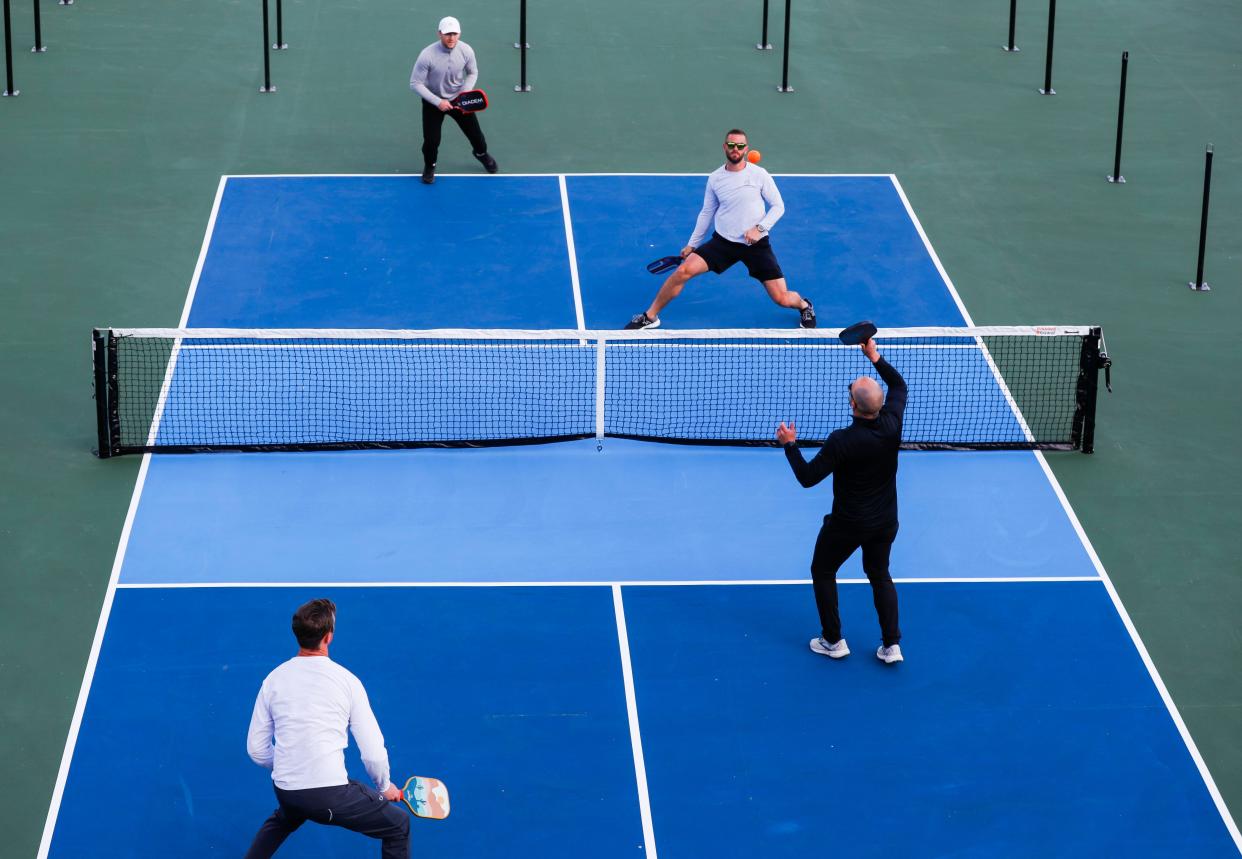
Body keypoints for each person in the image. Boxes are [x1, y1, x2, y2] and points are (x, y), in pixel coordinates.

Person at [244, 599, 410, 858]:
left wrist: (291, 765)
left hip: (287, 790)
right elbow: (373, 753)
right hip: (328, 796)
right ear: (329, 637)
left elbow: (256, 750)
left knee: (284, 819)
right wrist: (385, 786)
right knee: (399, 826)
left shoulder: (273, 680)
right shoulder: (348, 682)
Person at [776, 335, 906, 664]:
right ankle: (892, 646)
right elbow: (899, 386)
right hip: (885, 522)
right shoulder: (892, 424)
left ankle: (833, 640)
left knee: (822, 570)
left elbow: (807, 478)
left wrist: (790, 445)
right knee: (879, 574)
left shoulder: (841, 441)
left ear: (853, 406)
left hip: (848, 524)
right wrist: (874, 357)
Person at [625, 128, 814, 329]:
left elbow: (778, 207)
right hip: (723, 243)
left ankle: (804, 305)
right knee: (683, 271)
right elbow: (707, 213)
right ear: (725, 147)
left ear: (746, 149)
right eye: (731, 145)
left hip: (756, 244)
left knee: (782, 298)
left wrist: (759, 228)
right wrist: (692, 244)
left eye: (740, 146)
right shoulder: (715, 178)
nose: (735, 149)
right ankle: (650, 316)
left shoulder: (759, 175)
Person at [410, 16, 498, 185]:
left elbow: (473, 72)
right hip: (433, 103)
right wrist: (438, 102)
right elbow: (415, 83)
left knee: (477, 137)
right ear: (439, 34)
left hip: (459, 101)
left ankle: (481, 154)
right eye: (447, 34)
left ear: (459, 34)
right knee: (431, 141)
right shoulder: (427, 55)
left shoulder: (466, 50)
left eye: (455, 34)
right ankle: (430, 166)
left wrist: (465, 93)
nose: (451, 38)